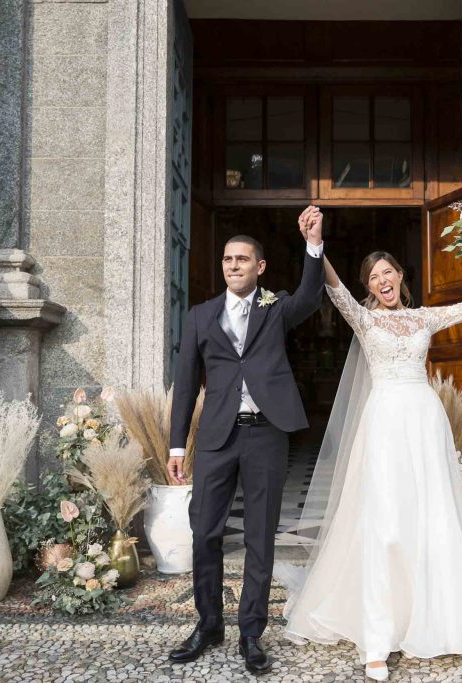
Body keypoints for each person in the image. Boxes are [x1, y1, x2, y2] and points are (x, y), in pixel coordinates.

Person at [277, 217, 462, 680]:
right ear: (370, 287)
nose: (382, 281)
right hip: (383, 421)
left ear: (400, 276)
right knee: (383, 524)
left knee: (429, 518)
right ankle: (376, 639)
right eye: (374, 278)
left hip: (424, 422)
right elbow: (335, 288)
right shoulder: (364, 319)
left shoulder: (424, 318)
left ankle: (435, 620)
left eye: (388, 273)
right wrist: (314, 243)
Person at [167, 207, 325, 676]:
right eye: (227, 259)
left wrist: (313, 245)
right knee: (206, 532)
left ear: (260, 267)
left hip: (266, 436)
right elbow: (185, 381)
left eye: (243, 259)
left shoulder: (275, 309)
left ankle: (251, 633)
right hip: (217, 437)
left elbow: (311, 297)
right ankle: (208, 623)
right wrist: (178, 446)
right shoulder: (200, 316)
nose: (233, 265)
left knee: (259, 537)